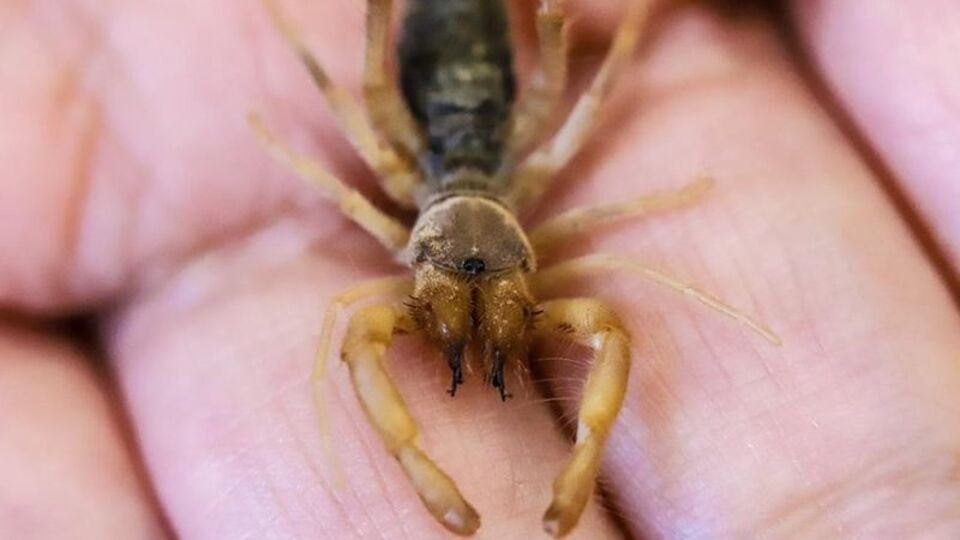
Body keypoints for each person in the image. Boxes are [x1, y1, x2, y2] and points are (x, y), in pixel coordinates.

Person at [1, 1, 958, 538]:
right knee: (414, 77)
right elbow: (347, 113)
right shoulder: (410, 200)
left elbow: (581, 95)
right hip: (462, 114)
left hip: (472, 132)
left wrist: (583, 455)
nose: (470, 302)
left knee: (548, 61)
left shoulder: (494, 200)